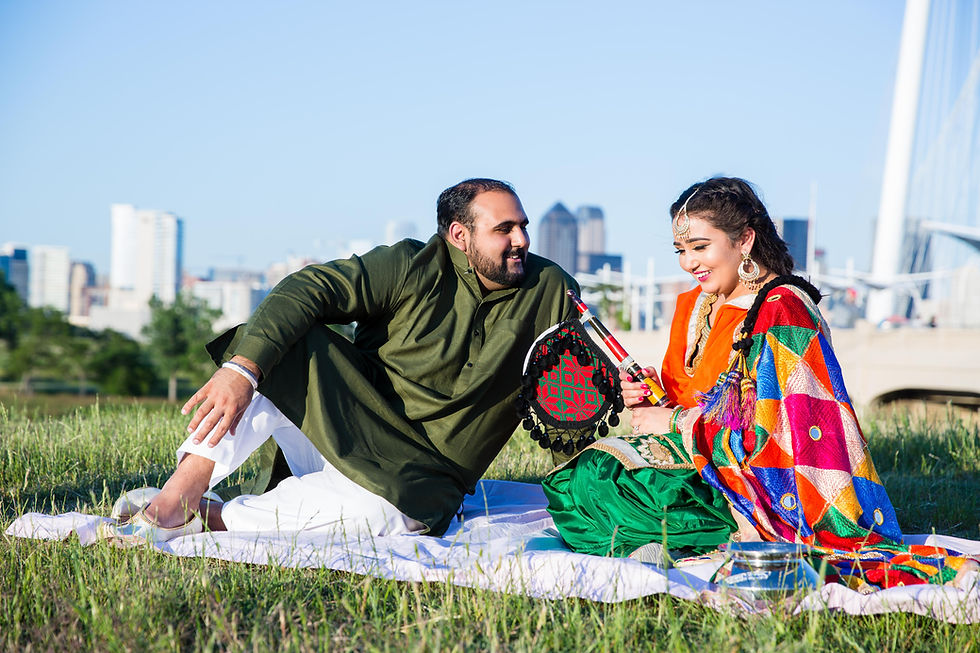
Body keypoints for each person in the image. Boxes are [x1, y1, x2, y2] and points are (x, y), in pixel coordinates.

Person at [100, 178, 579, 544]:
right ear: (459, 234)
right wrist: (240, 370)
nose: (521, 239)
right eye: (504, 229)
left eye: (523, 227)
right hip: (348, 428)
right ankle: (176, 497)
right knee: (274, 344)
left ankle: (212, 517)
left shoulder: (552, 290)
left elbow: (568, 400)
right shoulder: (411, 264)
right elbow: (307, 289)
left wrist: (582, 503)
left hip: (421, 478)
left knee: (386, 520)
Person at [543, 177, 905, 562]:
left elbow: (778, 432)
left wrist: (671, 421)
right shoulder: (695, 305)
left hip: (752, 484)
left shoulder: (782, 311)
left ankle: (687, 541)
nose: (688, 262)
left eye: (700, 247)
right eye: (680, 250)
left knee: (600, 481)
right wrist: (648, 392)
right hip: (694, 459)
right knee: (574, 480)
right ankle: (662, 543)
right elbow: (686, 394)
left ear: (744, 240)